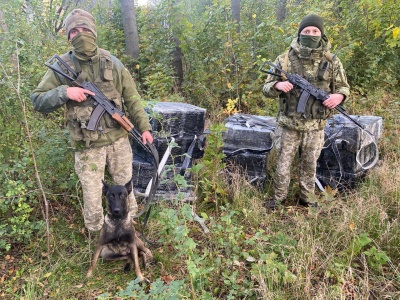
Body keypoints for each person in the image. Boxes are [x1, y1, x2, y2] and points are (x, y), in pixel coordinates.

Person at [31, 9, 153, 232]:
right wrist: (65, 92)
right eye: (74, 31)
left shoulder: (112, 63)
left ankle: (128, 230)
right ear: (68, 36)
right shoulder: (61, 67)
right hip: (87, 146)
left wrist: (144, 128)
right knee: (92, 194)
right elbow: (37, 99)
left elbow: (132, 98)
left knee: (126, 188)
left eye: (85, 29)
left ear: (93, 32)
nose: (80, 34)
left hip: (118, 140)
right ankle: (97, 236)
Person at [262, 14, 350, 208]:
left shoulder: (332, 61)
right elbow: (266, 89)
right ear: (300, 33)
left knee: (310, 165)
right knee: (283, 166)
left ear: (321, 34)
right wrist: (277, 85)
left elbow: (344, 87)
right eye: (307, 31)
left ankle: (307, 198)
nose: (311, 34)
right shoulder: (284, 59)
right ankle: (278, 198)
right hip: (289, 125)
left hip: (316, 126)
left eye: (315, 31)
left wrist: (339, 97)